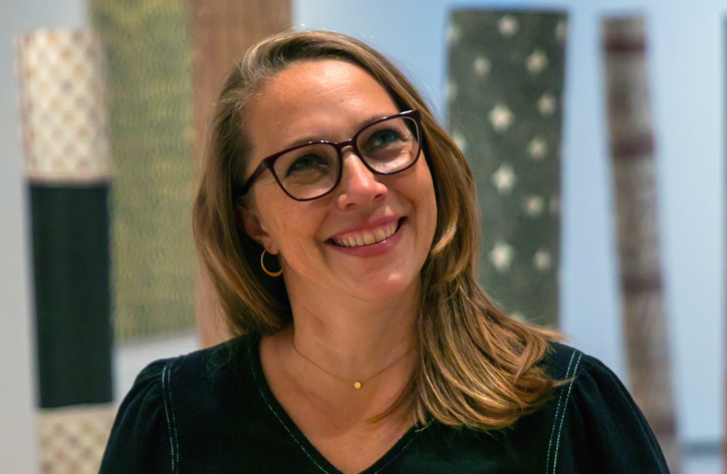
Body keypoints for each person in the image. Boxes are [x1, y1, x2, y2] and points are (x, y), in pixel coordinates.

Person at [99, 30, 669, 474]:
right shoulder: (173, 419)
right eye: (306, 163)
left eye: (384, 140)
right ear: (254, 223)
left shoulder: (564, 408)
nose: (365, 187)